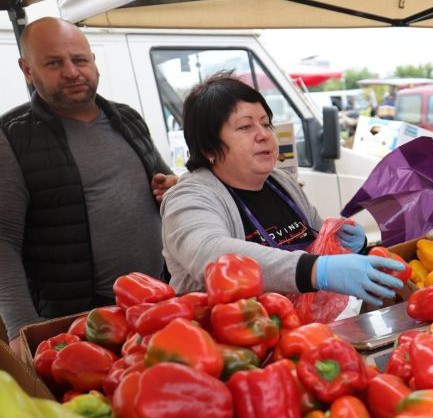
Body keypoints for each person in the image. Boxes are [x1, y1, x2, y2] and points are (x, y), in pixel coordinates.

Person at [0, 17, 178, 351]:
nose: (72, 72)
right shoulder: (11, 138)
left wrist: (171, 187)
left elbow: (165, 182)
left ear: (93, 61)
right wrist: (21, 327)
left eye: (79, 59)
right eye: (54, 63)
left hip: (155, 300)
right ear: (27, 70)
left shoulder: (127, 119)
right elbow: (3, 240)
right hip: (78, 325)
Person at [161, 72, 404, 306]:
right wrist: (317, 270)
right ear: (208, 148)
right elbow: (212, 254)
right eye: (245, 127)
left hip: (301, 326)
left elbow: (320, 242)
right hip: (234, 330)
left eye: (266, 124)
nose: (264, 135)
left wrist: (348, 245)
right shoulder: (188, 198)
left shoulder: (281, 183)